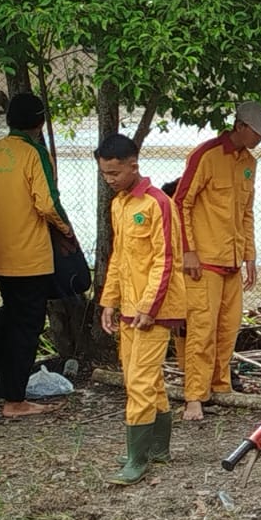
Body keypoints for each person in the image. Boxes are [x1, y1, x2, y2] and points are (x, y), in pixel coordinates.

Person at [0, 93, 76, 417]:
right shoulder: (33, 153)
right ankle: (15, 400)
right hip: (29, 258)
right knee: (28, 324)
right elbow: (47, 203)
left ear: (9, 120)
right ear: (39, 123)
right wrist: (65, 229)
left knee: (9, 312)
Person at [173, 101, 261, 421]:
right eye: (257, 132)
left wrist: (250, 256)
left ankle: (220, 387)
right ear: (241, 126)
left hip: (231, 261)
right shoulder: (206, 155)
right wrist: (188, 251)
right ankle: (194, 396)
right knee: (201, 330)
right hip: (203, 261)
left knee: (228, 329)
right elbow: (181, 203)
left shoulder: (249, 163)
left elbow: (246, 212)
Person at [96, 134, 186, 485]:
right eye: (105, 174)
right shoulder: (119, 205)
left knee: (139, 382)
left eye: (114, 173)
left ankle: (137, 458)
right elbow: (118, 258)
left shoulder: (157, 204)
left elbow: (166, 261)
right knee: (146, 379)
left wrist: (150, 307)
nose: (110, 180)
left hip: (155, 310)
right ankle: (156, 449)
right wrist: (109, 300)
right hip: (130, 307)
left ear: (134, 165)